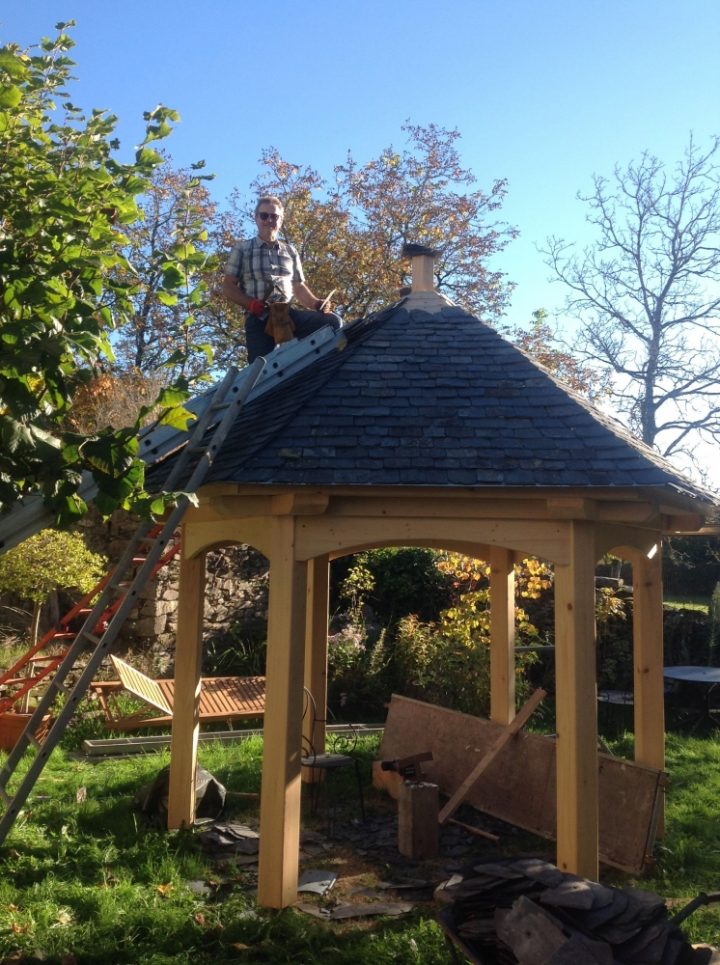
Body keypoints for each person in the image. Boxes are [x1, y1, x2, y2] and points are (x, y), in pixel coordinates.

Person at [222, 195, 342, 362]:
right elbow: (228, 287)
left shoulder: (290, 251)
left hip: (286, 314)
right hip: (259, 317)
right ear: (256, 218)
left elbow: (298, 287)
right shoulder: (243, 249)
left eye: (274, 216)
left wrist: (316, 303)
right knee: (259, 373)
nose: (269, 220)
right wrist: (251, 304)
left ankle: (310, 367)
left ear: (281, 220)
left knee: (332, 322)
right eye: (264, 215)